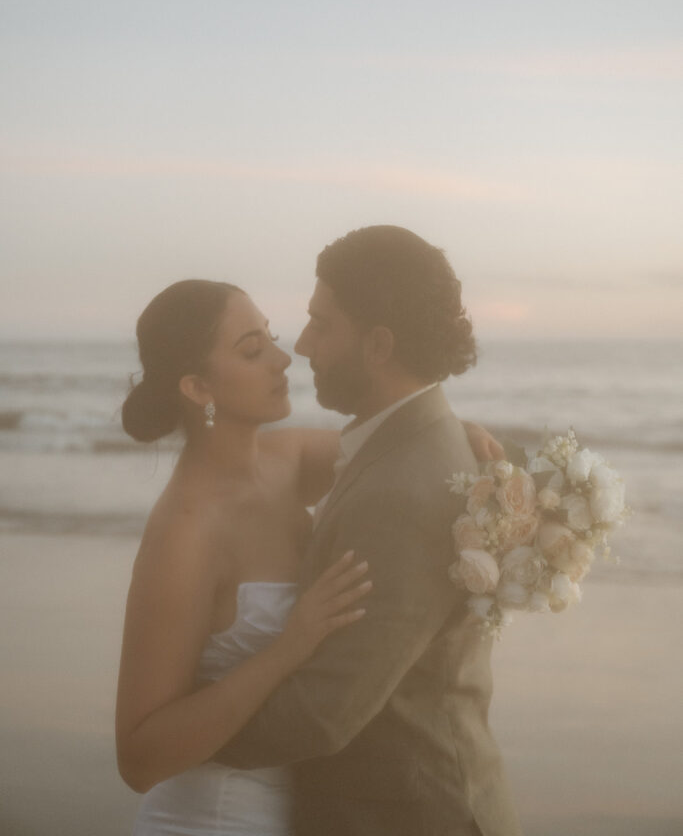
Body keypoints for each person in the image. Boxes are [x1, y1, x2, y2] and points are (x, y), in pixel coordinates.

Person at [116, 272, 500, 835]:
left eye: (270, 336)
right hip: (215, 818)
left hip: (304, 808)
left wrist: (458, 431)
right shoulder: (186, 532)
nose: (283, 358)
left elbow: (397, 447)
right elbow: (139, 757)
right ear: (198, 388)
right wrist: (289, 646)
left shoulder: (287, 460)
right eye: (253, 350)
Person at [213, 226, 522, 836]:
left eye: (321, 325)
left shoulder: (405, 489)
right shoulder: (413, 442)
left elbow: (322, 716)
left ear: (378, 344)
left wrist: (179, 737)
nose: (302, 345)